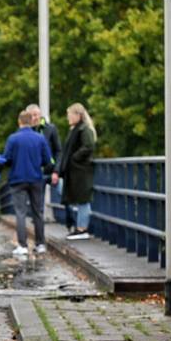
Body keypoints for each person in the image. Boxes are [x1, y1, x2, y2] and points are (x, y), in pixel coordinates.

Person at [0, 109, 54, 257]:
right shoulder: (39, 138)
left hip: (17, 179)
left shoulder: (13, 139)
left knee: (20, 213)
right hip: (36, 178)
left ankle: (22, 245)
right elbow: (48, 161)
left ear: (19, 122)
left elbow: (7, 159)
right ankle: (40, 244)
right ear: (31, 121)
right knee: (38, 212)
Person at [57, 103, 97, 240]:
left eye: (70, 115)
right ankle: (80, 228)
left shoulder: (84, 129)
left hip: (82, 170)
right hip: (77, 171)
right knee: (81, 200)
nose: (68, 117)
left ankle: (82, 229)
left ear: (77, 115)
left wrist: (74, 158)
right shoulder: (76, 129)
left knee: (83, 199)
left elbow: (89, 146)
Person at [26, 103, 64, 227]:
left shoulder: (50, 129)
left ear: (40, 115)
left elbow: (59, 151)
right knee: (37, 202)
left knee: (64, 195)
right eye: (31, 116)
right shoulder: (26, 132)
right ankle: (39, 227)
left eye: (36, 115)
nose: (34, 118)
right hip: (36, 173)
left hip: (52, 170)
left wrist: (56, 171)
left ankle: (72, 223)